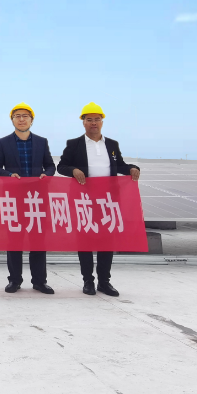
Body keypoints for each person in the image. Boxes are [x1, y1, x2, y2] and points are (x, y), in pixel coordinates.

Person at [57, 102, 141, 297]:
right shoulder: (74, 144)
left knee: (107, 240)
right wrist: (74, 170)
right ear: (83, 123)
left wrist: (131, 168)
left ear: (102, 122)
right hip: (83, 200)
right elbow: (62, 166)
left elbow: (119, 165)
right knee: (85, 240)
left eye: (97, 119)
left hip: (108, 201)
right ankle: (88, 281)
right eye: (89, 120)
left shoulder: (111, 144)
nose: (93, 123)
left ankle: (104, 282)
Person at [0, 103, 57, 295]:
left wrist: (47, 174)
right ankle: (14, 280)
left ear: (31, 120)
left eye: (25, 116)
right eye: (17, 116)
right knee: (14, 240)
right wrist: (8, 175)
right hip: (14, 199)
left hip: (37, 199)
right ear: (12, 120)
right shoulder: (3, 142)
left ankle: (39, 281)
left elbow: (50, 165)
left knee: (38, 241)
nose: (21, 119)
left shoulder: (41, 142)